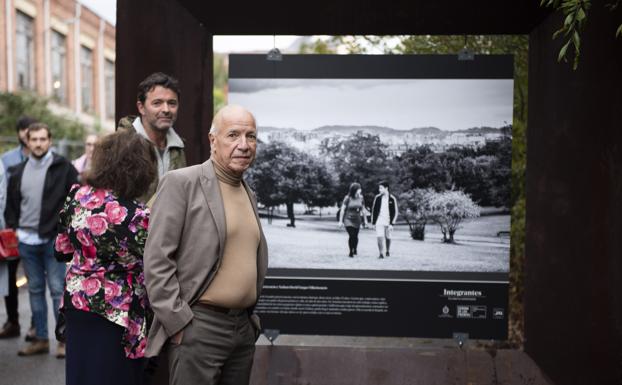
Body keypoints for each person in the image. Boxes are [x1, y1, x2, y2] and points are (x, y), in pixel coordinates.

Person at [144, 104, 268, 385]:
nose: (244, 145)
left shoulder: (249, 193)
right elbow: (157, 259)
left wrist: (250, 324)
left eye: (251, 137)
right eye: (233, 135)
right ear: (213, 140)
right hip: (199, 328)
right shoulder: (181, 183)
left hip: (242, 330)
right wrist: (178, 323)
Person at [55, 131, 157, 385]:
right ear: (138, 169)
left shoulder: (77, 196)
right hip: (118, 312)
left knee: (81, 374)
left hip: (78, 304)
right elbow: (157, 263)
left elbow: (61, 250)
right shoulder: (135, 216)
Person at [5, 122, 78, 357]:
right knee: (35, 289)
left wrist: (65, 231)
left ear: (50, 140)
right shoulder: (17, 170)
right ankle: (40, 339)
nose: (38, 144)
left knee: (57, 289)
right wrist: (14, 228)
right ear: (27, 141)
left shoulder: (64, 167)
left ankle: (64, 341)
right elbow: (11, 203)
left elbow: (75, 199)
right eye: (33, 139)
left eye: (42, 139)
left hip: (53, 239)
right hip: (26, 239)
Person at [117, 72, 186, 203]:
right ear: (141, 107)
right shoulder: (121, 145)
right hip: (131, 223)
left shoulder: (179, 147)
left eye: (172, 103)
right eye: (157, 103)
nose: (166, 109)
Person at [0, 115, 37, 340]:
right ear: (19, 133)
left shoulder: (47, 159)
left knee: (36, 279)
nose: (26, 133)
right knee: (10, 276)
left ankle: (37, 325)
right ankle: (12, 320)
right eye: (23, 130)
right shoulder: (6, 159)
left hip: (35, 228)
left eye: (30, 129)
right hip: (12, 229)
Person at [338, 182, 368, 257]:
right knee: (352, 235)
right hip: (348, 219)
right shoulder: (347, 198)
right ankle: (351, 251)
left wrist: (365, 221)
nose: (360, 190)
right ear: (354, 190)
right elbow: (342, 209)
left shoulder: (361, 198)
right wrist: (340, 221)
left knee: (356, 236)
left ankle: (355, 248)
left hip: (357, 219)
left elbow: (363, 209)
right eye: (359, 189)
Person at [371, 181, 399, 259]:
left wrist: (392, 224)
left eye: (381, 188)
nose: (379, 190)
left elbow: (395, 212)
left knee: (388, 237)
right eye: (379, 188)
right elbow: (374, 210)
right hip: (379, 220)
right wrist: (373, 222)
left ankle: (387, 250)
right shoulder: (377, 198)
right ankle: (381, 253)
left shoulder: (392, 198)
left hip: (388, 221)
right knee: (379, 236)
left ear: (386, 188)